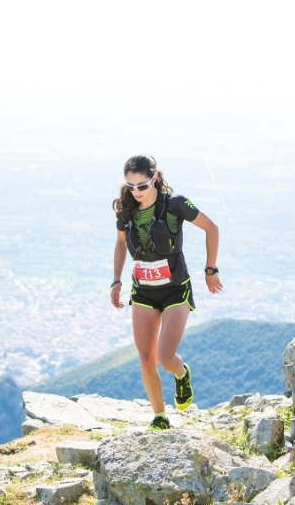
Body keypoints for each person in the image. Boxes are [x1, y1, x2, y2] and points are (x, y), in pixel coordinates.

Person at [110, 154, 223, 431]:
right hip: (143, 291)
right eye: (131, 186)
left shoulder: (175, 204)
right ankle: (160, 417)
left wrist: (211, 269)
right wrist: (116, 281)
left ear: (154, 178)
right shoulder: (125, 210)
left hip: (175, 290)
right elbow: (121, 243)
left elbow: (211, 228)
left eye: (142, 185)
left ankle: (181, 374)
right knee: (146, 358)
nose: (136, 192)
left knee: (164, 357)